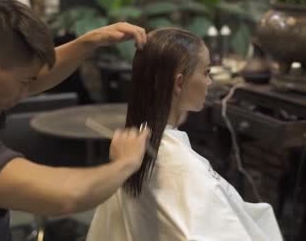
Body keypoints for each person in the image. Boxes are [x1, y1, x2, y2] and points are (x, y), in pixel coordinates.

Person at [0, 0, 151, 240]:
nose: (25, 93)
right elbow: (66, 195)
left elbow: (33, 76)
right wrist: (126, 162)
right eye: (24, 83)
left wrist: (88, 43)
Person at [87, 28, 282, 241]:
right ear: (179, 83)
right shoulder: (181, 167)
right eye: (206, 72)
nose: (209, 82)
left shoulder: (129, 147)